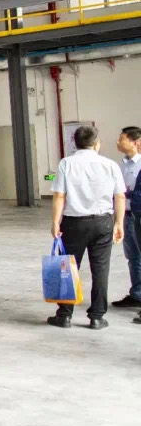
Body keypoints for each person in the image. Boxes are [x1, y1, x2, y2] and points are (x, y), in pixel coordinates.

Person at [48, 125, 126, 330]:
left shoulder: (66, 163)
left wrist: (55, 222)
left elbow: (59, 195)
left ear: (75, 143)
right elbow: (119, 196)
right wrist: (119, 223)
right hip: (102, 222)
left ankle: (64, 315)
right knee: (100, 269)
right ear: (97, 143)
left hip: (73, 223)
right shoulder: (110, 165)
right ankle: (97, 317)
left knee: (67, 268)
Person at [112, 127, 141, 309]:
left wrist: (126, 194)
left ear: (135, 142)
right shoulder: (122, 164)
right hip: (127, 215)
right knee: (133, 257)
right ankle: (137, 294)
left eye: (122, 138)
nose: (118, 142)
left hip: (139, 215)